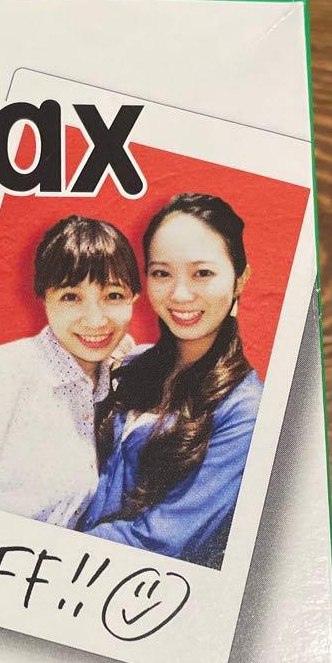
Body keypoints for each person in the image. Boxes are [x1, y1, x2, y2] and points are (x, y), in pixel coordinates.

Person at [0, 216, 141, 527]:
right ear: (44, 298)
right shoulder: (5, 376)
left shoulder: (111, 376)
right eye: (71, 297)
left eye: (113, 296)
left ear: (134, 299)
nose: (95, 320)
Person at [81, 193, 261, 567]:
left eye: (202, 273)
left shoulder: (245, 411)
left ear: (240, 279)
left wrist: (48, 541)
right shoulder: (130, 364)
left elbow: (160, 542)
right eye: (162, 273)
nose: (179, 294)